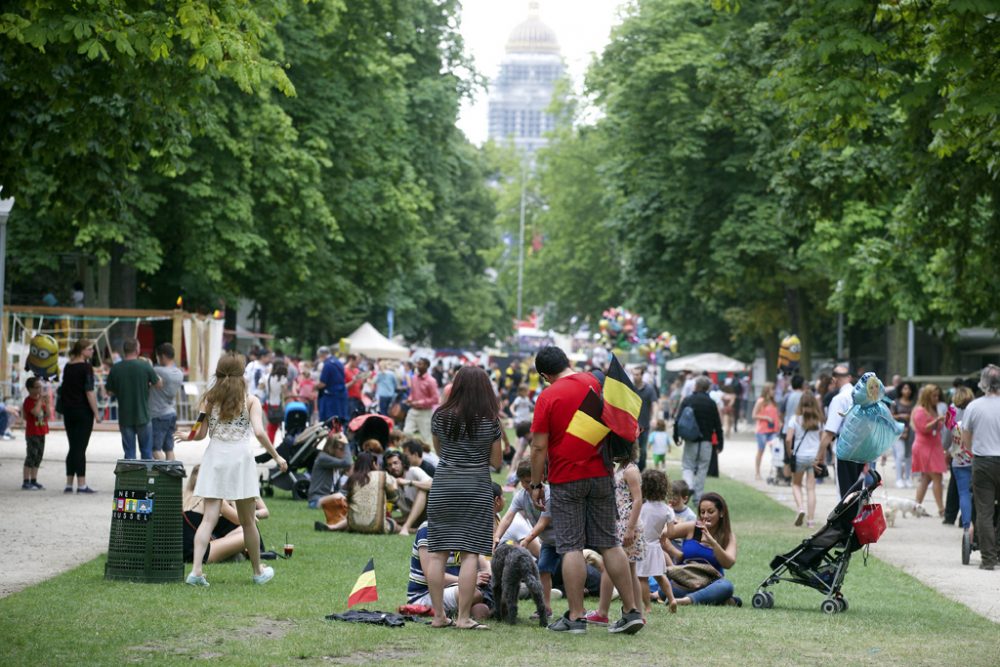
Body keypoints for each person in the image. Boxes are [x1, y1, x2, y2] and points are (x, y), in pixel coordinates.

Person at [529, 345, 645, 635]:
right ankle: (632, 611)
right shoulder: (595, 382)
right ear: (568, 362)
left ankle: (576, 616)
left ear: (545, 375)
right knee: (609, 543)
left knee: (571, 546)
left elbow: (539, 445)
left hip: (566, 477)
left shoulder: (547, 396)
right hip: (601, 473)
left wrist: (535, 483)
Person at [182, 353, 288, 586]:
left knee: (208, 518)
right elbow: (260, 433)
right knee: (248, 521)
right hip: (240, 459)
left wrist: (186, 437)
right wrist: (277, 456)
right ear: (242, 376)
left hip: (214, 458)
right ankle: (258, 571)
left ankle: (196, 572)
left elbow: (199, 433)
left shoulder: (209, 399)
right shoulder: (251, 401)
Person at [425, 366, 502, 630]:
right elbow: (497, 461)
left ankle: (438, 616)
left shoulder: (440, 416)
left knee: (437, 553)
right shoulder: (490, 420)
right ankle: (463, 617)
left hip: (444, 485)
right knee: (470, 553)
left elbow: (439, 450)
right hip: (476, 487)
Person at [585, 443, 646, 624]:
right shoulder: (622, 468)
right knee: (629, 570)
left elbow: (638, 500)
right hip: (621, 523)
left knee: (610, 567)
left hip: (625, 525)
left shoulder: (630, 470)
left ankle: (602, 612)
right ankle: (638, 613)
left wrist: (630, 528)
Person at [496, 461, 558, 614]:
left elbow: (543, 522)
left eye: (531, 481)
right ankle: (546, 608)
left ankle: (578, 609)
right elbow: (508, 517)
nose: (528, 485)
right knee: (543, 569)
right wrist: (496, 536)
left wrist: (527, 540)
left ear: (541, 477)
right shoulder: (521, 496)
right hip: (549, 542)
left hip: (565, 539)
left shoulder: (550, 494)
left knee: (572, 572)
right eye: (524, 482)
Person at [406, 521, 491, 620]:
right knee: (474, 593)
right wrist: (470, 581)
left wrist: (488, 575)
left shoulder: (464, 528)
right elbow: (430, 575)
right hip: (425, 595)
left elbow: (484, 563)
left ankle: (464, 609)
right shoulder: (428, 529)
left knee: (484, 606)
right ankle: (460, 611)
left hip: (455, 587)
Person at [666, 492, 739, 606]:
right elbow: (662, 534)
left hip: (711, 582)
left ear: (721, 513)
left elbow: (728, 563)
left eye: (710, 512)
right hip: (686, 580)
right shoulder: (692, 527)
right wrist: (676, 553)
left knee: (726, 587)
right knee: (666, 587)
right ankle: (714, 598)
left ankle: (688, 600)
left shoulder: (728, 536)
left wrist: (714, 544)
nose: (705, 516)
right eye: (702, 512)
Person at [962, 364, 1000, 570]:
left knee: (984, 511)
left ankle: (988, 558)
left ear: (983, 383)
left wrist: (971, 451)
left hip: (983, 460)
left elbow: (966, 435)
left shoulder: (974, 406)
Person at [315, 452, 400, 533]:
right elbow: (395, 498)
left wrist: (321, 500)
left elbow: (341, 495)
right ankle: (409, 530)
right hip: (376, 526)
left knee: (353, 515)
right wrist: (395, 483)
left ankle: (332, 527)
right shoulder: (382, 475)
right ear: (374, 464)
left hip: (353, 525)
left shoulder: (353, 478)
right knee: (393, 523)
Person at [105, 338, 162, 460]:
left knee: (129, 454)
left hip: (125, 417)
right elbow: (158, 384)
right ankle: (146, 478)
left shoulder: (116, 368)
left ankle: (131, 478)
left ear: (124, 350)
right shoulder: (145, 365)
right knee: (146, 452)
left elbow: (109, 392)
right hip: (143, 415)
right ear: (137, 350)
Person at [673, 376, 724, 505]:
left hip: (691, 440)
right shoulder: (711, 403)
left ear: (695, 386)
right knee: (702, 468)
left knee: (687, 466)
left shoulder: (688, 400)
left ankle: (689, 486)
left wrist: (676, 436)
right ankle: (698, 497)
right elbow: (717, 424)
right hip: (706, 441)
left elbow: (678, 420)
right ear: (707, 388)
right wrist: (720, 442)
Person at [60, 338, 102, 493]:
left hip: (69, 411)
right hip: (83, 411)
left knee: (73, 446)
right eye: (90, 349)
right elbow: (89, 391)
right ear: (82, 350)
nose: (92, 351)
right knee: (80, 448)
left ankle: (69, 483)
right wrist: (97, 413)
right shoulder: (86, 367)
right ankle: (82, 484)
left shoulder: (68, 367)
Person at [816, 365, 864, 498]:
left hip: (845, 447)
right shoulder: (862, 397)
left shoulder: (839, 399)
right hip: (862, 448)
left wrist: (819, 456)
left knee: (845, 492)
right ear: (849, 378)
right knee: (857, 490)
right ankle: (856, 517)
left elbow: (830, 431)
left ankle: (846, 518)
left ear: (834, 379)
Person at [635, 469, 677, 614]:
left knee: (642, 578)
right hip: (656, 547)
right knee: (660, 576)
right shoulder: (667, 510)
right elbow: (671, 533)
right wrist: (663, 535)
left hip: (642, 546)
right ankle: (672, 599)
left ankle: (647, 607)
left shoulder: (641, 507)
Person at [785, 391, 825, 528]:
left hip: (800, 456)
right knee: (811, 489)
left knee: (796, 484)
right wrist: (821, 458)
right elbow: (823, 440)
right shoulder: (819, 421)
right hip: (814, 457)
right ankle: (811, 521)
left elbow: (788, 439)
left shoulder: (795, 419)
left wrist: (790, 453)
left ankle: (801, 508)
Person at [911, 384, 948, 517]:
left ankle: (916, 507)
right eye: (934, 395)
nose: (937, 398)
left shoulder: (933, 409)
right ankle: (942, 509)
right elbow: (923, 428)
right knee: (937, 476)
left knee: (926, 478)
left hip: (933, 446)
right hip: (924, 447)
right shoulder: (920, 410)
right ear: (927, 396)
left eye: (937, 395)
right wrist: (937, 420)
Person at [384, 449, 432, 536]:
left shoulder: (414, 471)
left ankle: (406, 528)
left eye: (395, 463)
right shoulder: (390, 480)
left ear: (402, 463)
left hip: (427, 514)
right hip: (410, 516)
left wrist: (409, 482)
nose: (393, 467)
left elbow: (432, 485)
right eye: (389, 465)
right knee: (387, 521)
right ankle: (413, 530)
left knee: (422, 490)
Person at [947, 386, 976, 529]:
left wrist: (946, 449)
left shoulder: (950, 411)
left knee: (963, 493)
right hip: (976, 457)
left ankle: (966, 525)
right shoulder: (976, 409)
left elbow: (946, 434)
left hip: (958, 458)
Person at [150, 343, 184, 462]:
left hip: (158, 414)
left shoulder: (157, 370)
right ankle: (173, 473)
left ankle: (167, 470)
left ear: (163, 356)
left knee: (154, 449)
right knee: (169, 448)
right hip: (171, 414)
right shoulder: (179, 373)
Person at [307, 433, 352, 510]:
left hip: (330, 499)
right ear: (332, 448)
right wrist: (346, 444)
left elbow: (337, 490)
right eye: (341, 449)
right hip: (316, 501)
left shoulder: (335, 464)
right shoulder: (323, 458)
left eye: (344, 449)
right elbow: (347, 463)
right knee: (341, 496)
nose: (344, 452)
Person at [21, 377, 50, 490]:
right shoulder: (28, 401)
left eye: (40, 387)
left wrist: (47, 403)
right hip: (32, 432)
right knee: (31, 456)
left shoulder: (40, 400)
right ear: (30, 389)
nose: (39, 389)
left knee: (38, 456)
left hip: (41, 431)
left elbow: (47, 415)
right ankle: (25, 481)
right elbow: (36, 412)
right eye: (37, 387)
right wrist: (39, 401)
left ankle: (34, 480)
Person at [404, 358, 439, 444]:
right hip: (413, 411)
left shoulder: (431, 381)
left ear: (427, 366)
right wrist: (410, 399)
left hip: (425, 413)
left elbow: (436, 399)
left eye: (420, 364)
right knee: (406, 432)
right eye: (417, 364)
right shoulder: (414, 378)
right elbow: (412, 393)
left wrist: (420, 402)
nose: (418, 366)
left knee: (426, 438)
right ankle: (410, 452)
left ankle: (427, 456)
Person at [890, 381, 918, 488]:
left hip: (911, 431)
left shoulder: (914, 403)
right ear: (901, 390)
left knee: (909, 455)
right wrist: (901, 415)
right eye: (905, 388)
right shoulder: (895, 402)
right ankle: (898, 479)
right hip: (898, 431)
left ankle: (908, 478)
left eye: (909, 389)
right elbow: (890, 416)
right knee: (900, 454)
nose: (907, 391)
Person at [632, 366, 658, 471]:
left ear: (642, 375)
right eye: (633, 374)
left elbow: (655, 404)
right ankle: (631, 469)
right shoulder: (630, 387)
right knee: (631, 449)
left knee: (643, 450)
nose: (635, 377)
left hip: (644, 424)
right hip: (631, 425)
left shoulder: (649, 389)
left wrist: (654, 418)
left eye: (637, 374)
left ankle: (641, 468)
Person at [752, 382, 779, 481]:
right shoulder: (761, 401)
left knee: (776, 451)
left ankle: (776, 472)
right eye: (772, 389)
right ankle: (757, 472)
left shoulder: (774, 402)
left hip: (773, 430)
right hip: (762, 430)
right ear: (767, 390)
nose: (774, 391)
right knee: (761, 450)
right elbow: (754, 415)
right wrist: (766, 417)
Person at [315, 346, 348, 422]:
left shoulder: (327, 365)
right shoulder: (339, 362)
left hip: (331, 397)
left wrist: (314, 387)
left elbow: (323, 383)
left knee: (329, 421)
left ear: (322, 355)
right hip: (341, 394)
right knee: (340, 420)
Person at [262, 360, 287, 444]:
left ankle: (268, 443)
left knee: (270, 425)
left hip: (267, 403)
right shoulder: (283, 378)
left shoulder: (267, 377)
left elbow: (260, 387)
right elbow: (284, 392)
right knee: (273, 426)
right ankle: (270, 444)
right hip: (277, 404)